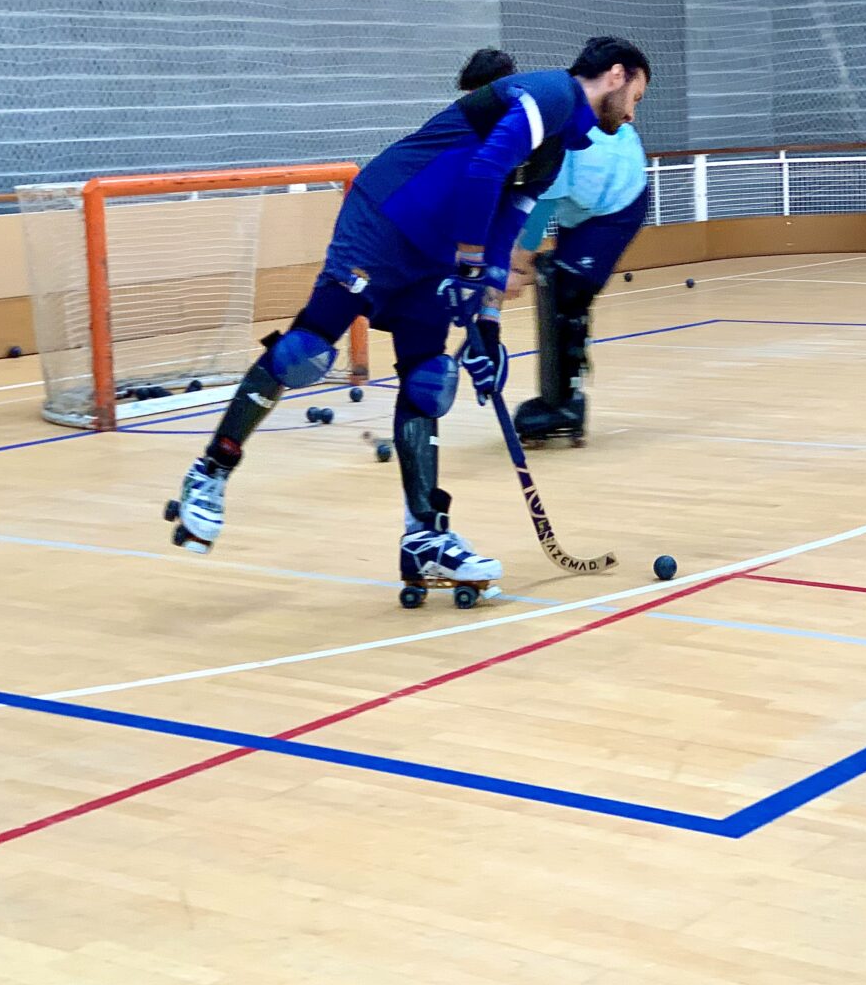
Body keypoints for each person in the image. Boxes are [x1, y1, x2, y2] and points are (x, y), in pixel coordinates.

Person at [166, 36, 651, 591]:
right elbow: (486, 168)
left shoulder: (558, 148)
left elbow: (505, 229)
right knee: (306, 351)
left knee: (428, 381)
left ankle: (425, 537)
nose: (632, 113)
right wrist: (469, 264)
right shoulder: (553, 95)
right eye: (636, 96)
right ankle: (210, 472)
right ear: (616, 75)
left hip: (437, 252)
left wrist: (488, 326)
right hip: (387, 218)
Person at [508, 112, 651, 445]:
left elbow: (538, 214)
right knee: (557, 281)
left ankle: (564, 404)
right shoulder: (536, 129)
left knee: (570, 289)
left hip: (617, 203)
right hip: (583, 203)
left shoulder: (554, 140)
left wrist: (515, 269)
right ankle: (561, 400)